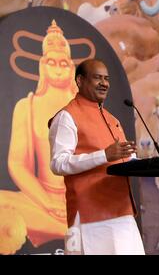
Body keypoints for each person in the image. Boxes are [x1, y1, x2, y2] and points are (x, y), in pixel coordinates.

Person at [48, 59, 145, 255]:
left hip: (123, 212)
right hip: (89, 215)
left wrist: (145, 163)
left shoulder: (113, 119)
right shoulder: (67, 116)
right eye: (97, 78)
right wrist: (104, 155)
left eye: (107, 79)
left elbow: (126, 160)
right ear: (80, 80)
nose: (104, 83)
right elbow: (58, 163)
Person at [0, 20, 77, 254]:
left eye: (64, 63)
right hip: (41, 200)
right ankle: (64, 227)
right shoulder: (28, 106)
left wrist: (73, 200)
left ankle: (69, 226)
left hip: (80, 201)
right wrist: (47, 202)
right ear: (43, 66)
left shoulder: (86, 108)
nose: (58, 68)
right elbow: (17, 163)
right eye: (51, 62)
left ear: (72, 68)